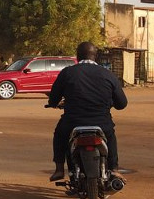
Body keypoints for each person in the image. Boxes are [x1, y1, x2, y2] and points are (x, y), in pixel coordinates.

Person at [47, 41, 128, 181]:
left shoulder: (67, 73)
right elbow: (122, 104)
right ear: (95, 56)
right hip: (102, 122)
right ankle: (114, 169)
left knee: (59, 135)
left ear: (77, 56)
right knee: (110, 137)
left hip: (72, 121)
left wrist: (54, 103)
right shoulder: (108, 74)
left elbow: (53, 98)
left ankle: (59, 169)